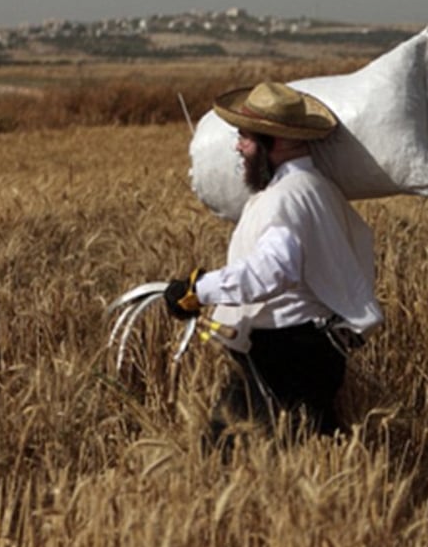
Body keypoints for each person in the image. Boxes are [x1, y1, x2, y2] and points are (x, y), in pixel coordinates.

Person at [163, 81, 383, 439]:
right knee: (310, 447)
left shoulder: (286, 198)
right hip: (314, 349)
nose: (238, 147)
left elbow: (271, 273)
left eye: (245, 138)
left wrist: (198, 289)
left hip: (284, 353)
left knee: (227, 453)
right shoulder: (320, 189)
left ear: (275, 141)